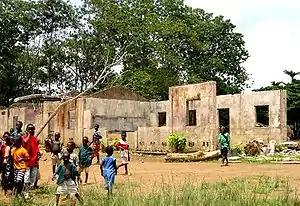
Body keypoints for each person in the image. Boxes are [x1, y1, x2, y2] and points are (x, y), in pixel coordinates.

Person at [22, 124, 40, 198]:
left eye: (32, 129)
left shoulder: (35, 139)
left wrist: (38, 155)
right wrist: (28, 136)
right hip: (26, 162)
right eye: (29, 129)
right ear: (26, 130)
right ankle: (25, 192)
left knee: (32, 177)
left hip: (34, 161)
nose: (31, 131)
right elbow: (24, 145)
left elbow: (36, 149)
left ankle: (29, 191)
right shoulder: (23, 138)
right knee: (26, 177)